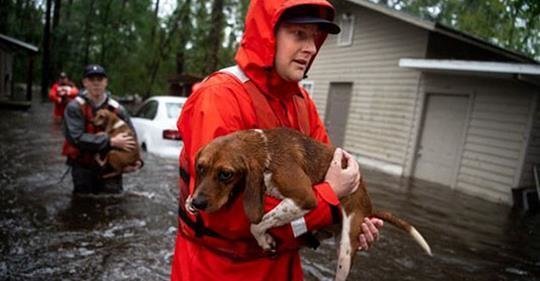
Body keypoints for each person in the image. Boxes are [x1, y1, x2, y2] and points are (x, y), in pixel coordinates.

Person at [171, 1, 384, 280]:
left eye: (314, 37)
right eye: (299, 34)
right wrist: (329, 202)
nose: (311, 47)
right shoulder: (220, 97)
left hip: (282, 267)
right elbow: (222, 213)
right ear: (268, 34)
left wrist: (348, 224)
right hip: (217, 269)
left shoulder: (302, 102)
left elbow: (329, 181)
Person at [62, 64, 141, 194]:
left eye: (100, 79)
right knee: (82, 203)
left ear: (106, 82)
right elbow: (75, 138)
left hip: (110, 168)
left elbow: (131, 136)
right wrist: (109, 141)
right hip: (83, 167)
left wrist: (136, 161)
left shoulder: (117, 109)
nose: (96, 83)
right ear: (85, 83)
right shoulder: (74, 107)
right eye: (92, 80)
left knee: (113, 205)